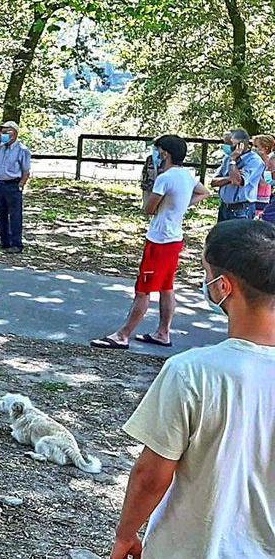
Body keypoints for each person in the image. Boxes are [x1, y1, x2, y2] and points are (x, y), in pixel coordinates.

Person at [110, 219, 275, 559]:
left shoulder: (191, 372)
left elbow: (151, 475)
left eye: (206, 271)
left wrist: (126, 533)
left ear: (223, 287)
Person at [93, 135, 211, 350]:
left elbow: (148, 208)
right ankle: (163, 332)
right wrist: (181, 205)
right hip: (174, 239)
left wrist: (152, 188)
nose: (154, 155)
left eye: (157, 151)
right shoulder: (188, 175)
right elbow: (204, 192)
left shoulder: (165, 178)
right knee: (166, 287)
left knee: (143, 289)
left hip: (159, 241)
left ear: (164, 153)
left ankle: (123, 335)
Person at [0, 120, 30, 254]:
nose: (5, 134)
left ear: (15, 133)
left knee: (15, 215)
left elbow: (26, 171)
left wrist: (21, 185)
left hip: (13, 185)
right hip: (0, 184)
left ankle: (16, 244)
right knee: (0, 214)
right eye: (3, 131)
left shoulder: (22, 150)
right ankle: (4, 242)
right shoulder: (0, 148)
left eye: (8, 131)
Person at [210, 128, 265, 221]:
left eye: (229, 143)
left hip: (241, 210)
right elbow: (214, 182)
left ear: (241, 145)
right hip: (224, 207)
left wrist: (233, 161)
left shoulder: (254, 161)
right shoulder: (227, 158)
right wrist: (229, 178)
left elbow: (237, 181)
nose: (226, 146)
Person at [254, 134, 274, 220]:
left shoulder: (270, 161)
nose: (254, 149)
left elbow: (265, 182)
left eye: (256, 146)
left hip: (262, 196)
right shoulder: (257, 160)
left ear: (265, 148)